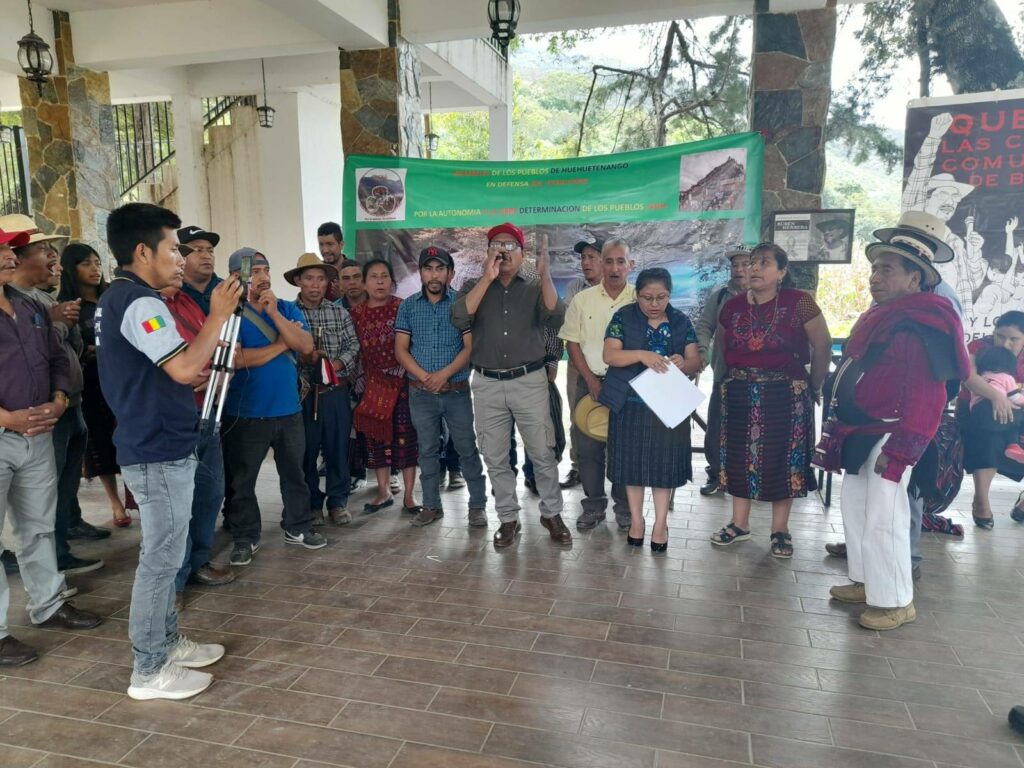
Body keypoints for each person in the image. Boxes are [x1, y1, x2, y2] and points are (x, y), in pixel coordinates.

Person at [97, 203, 241, 698]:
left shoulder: (128, 298)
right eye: (174, 248)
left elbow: (172, 366)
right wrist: (219, 315)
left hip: (160, 441)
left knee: (169, 551)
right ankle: (149, 668)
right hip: (156, 449)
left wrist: (189, 365)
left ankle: (167, 641)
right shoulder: (139, 302)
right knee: (160, 559)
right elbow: (182, 370)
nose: (181, 258)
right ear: (142, 251)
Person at [819, 227, 968, 630]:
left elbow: (928, 394)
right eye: (873, 269)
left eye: (886, 270)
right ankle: (868, 581)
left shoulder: (924, 325)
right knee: (857, 509)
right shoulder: (883, 317)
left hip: (891, 435)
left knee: (886, 517)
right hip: (861, 431)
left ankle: (896, 600)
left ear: (914, 278)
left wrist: (902, 449)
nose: (874, 278)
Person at [0, 225, 102, 668]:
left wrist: (60, 399)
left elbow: (60, 359)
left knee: (39, 526)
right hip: (4, 433)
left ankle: (48, 604)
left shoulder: (30, 305)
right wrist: (7, 418)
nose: (9, 256)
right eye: (3, 250)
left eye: (9, 250)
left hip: (40, 431)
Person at [451, 222, 571, 549]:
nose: (503, 251)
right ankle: (508, 518)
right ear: (487, 252)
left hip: (529, 381)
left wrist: (545, 275)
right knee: (495, 455)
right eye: (496, 245)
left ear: (522, 254)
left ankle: (552, 513)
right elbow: (459, 317)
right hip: (488, 384)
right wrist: (488, 277)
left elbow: (555, 316)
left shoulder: (533, 287)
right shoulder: (473, 286)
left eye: (510, 245)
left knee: (542, 452)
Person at [711, 242, 831, 558]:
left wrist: (814, 387)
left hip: (785, 395)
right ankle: (739, 524)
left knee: (784, 461)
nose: (753, 268)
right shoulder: (733, 306)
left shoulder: (799, 303)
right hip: (738, 393)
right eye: (751, 263)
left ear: (781, 272)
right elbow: (721, 349)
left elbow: (823, 344)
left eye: (764, 263)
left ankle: (780, 530)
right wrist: (722, 384)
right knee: (738, 459)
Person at [220, 248, 322, 566]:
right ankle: (245, 537)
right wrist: (282, 343)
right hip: (246, 412)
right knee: (243, 480)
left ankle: (298, 526)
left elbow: (306, 346)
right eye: (256, 271)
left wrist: (276, 315)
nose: (264, 277)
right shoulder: (230, 314)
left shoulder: (288, 308)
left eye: (267, 270)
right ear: (236, 276)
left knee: (295, 474)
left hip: (288, 409)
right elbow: (235, 360)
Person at [601, 268, 701, 553]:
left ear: (670, 295)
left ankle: (660, 524)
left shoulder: (681, 321)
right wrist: (642, 355)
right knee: (632, 468)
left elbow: (696, 361)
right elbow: (610, 355)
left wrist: (684, 362)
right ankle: (636, 521)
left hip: (668, 407)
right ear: (637, 295)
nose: (654, 303)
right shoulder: (623, 317)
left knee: (664, 468)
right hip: (629, 404)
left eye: (661, 297)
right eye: (647, 297)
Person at [395, 246, 487, 527]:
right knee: (427, 451)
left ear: (451, 273)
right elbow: (401, 350)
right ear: (420, 273)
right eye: (428, 268)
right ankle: (431, 506)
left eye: (440, 269)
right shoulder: (408, 306)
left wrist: (443, 375)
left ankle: (477, 506)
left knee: (466, 448)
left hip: (456, 391)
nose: (434, 275)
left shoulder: (462, 304)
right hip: (420, 393)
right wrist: (426, 377)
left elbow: (469, 348)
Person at [159, 271, 235, 606]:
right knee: (177, 505)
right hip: (173, 419)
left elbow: (212, 344)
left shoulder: (189, 302)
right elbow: (162, 365)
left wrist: (217, 373)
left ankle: (198, 562)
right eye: (174, 253)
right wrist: (188, 373)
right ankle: (172, 583)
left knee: (210, 491)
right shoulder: (146, 309)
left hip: (207, 412)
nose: (177, 264)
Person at [559, 239, 636, 531]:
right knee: (588, 449)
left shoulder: (639, 299)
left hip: (628, 386)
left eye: (621, 262)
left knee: (623, 449)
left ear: (630, 265)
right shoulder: (583, 300)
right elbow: (572, 342)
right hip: (589, 383)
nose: (614, 268)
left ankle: (625, 508)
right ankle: (592, 506)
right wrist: (590, 380)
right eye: (609, 261)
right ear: (601, 265)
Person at [58, 242, 135, 528]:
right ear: (71, 269)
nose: (94, 269)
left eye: (97, 262)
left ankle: (134, 497)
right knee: (100, 444)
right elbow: (63, 348)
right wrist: (86, 352)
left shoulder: (111, 298)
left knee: (126, 437)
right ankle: (115, 502)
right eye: (85, 263)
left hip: (120, 379)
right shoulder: (69, 307)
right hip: (90, 384)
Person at [286, 253, 359, 527]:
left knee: (337, 448)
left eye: (320, 279)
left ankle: (338, 502)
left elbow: (354, 346)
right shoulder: (289, 314)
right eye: (309, 279)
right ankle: (312, 504)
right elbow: (285, 349)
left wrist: (335, 365)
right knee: (305, 451)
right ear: (298, 281)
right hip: (303, 394)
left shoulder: (339, 312)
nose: (315, 285)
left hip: (335, 393)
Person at [350, 259, 420, 514]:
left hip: (402, 384)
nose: (379, 281)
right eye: (373, 277)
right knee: (375, 438)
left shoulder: (403, 308)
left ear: (392, 281)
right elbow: (354, 351)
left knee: (406, 438)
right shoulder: (356, 314)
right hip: (371, 386)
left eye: (384, 276)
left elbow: (413, 345)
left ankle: (410, 496)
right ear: (365, 283)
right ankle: (383, 492)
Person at [957, 310, 1024, 527]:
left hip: (1018, 409)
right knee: (989, 436)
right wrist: (995, 395)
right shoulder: (978, 347)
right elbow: (969, 376)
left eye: (1013, 339)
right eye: (1000, 336)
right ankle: (981, 501)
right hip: (979, 409)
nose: (1005, 343)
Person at [694, 246, 750, 497]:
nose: (739, 270)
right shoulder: (720, 297)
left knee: (751, 427)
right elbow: (704, 327)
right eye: (735, 265)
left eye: (745, 264)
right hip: (724, 374)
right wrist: (703, 352)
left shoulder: (769, 296)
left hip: (758, 378)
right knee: (716, 427)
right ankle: (716, 474)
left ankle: (748, 477)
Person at [559, 238, 605, 489]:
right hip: (579, 364)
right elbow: (572, 329)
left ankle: (609, 467)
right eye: (583, 257)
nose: (586, 262)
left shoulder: (619, 290)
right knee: (579, 418)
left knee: (612, 418)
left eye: (591, 257)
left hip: (612, 367)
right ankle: (578, 467)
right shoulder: (575, 288)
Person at [969, 346, 1024, 462]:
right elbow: (1015, 398)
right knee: (1018, 415)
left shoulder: (981, 378)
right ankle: (1013, 444)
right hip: (996, 412)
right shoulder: (1007, 378)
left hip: (977, 413)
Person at [178, 225, 222, 315]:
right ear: (179, 255)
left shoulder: (228, 291)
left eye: (210, 251)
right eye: (198, 250)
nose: (207, 256)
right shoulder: (169, 296)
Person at [317, 222, 345, 302]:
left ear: (341, 244)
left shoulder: (355, 270)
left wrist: (345, 298)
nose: (325, 250)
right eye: (321, 245)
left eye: (330, 244)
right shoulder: (316, 271)